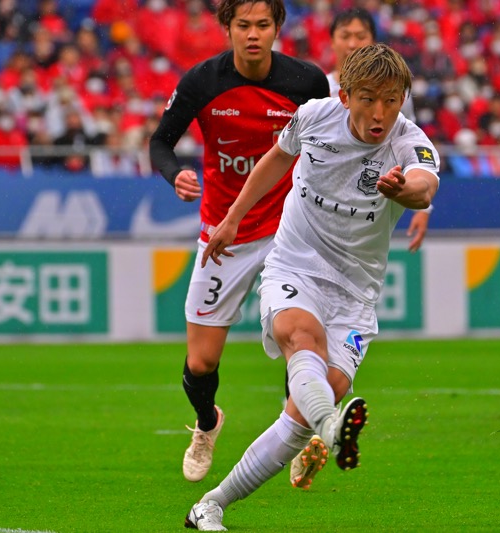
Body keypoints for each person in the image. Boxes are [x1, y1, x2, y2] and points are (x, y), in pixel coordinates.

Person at [184, 43, 439, 531]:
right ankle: (333, 426)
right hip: (295, 265)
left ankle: (210, 505)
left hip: (356, 292)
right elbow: (275, 161)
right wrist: (233, 218)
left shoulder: (409, 143)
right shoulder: (312, 117)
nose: (380, 113)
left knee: (303, 414)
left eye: (391, 100)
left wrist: (404, 190)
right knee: (302, 341)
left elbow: (425, 185)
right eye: (368, 98)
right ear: (344, 96)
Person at [148, 0, 330, 484]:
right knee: (201, 360)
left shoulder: (307, 83)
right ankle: (208, 423)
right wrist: (176, 175)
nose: (253, 34)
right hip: (223, 234)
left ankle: (298, 428)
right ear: (227, 27)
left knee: (298, 335)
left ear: (277, 29)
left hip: (288, 231)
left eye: (263, 25)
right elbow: (159, 143)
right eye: (243, 25)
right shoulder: (202, 82)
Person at [327, 7, 432, 253]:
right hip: (323, 196)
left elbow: (411, 143)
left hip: (369, 200)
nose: (352, 43)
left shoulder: (395, 93)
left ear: (373, 41)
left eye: (360, 36)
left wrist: (423, 207)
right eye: (345, 36)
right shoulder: (317, 90)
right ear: (332, 41)